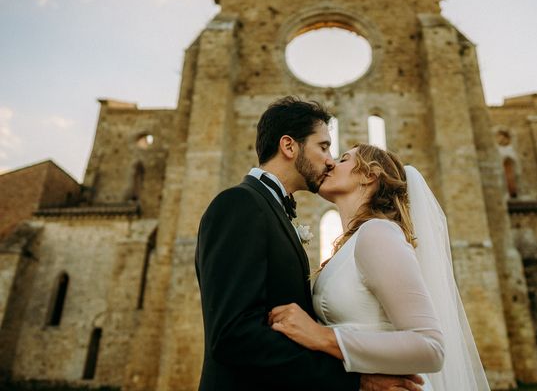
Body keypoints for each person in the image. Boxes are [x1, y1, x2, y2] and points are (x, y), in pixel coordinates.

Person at [195, 97, 424, 391]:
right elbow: (233, 336)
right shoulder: (239, 204)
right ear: (289, 146)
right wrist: (355, 382)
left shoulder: (272, 211)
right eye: (324, 147)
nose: (330, 160)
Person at [269, 144, 492, 391]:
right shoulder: (354, 244)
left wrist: (322, 337)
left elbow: (430, 347)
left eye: (343, 159)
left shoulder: (378, 232)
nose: (331, 163)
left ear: (369, 175)